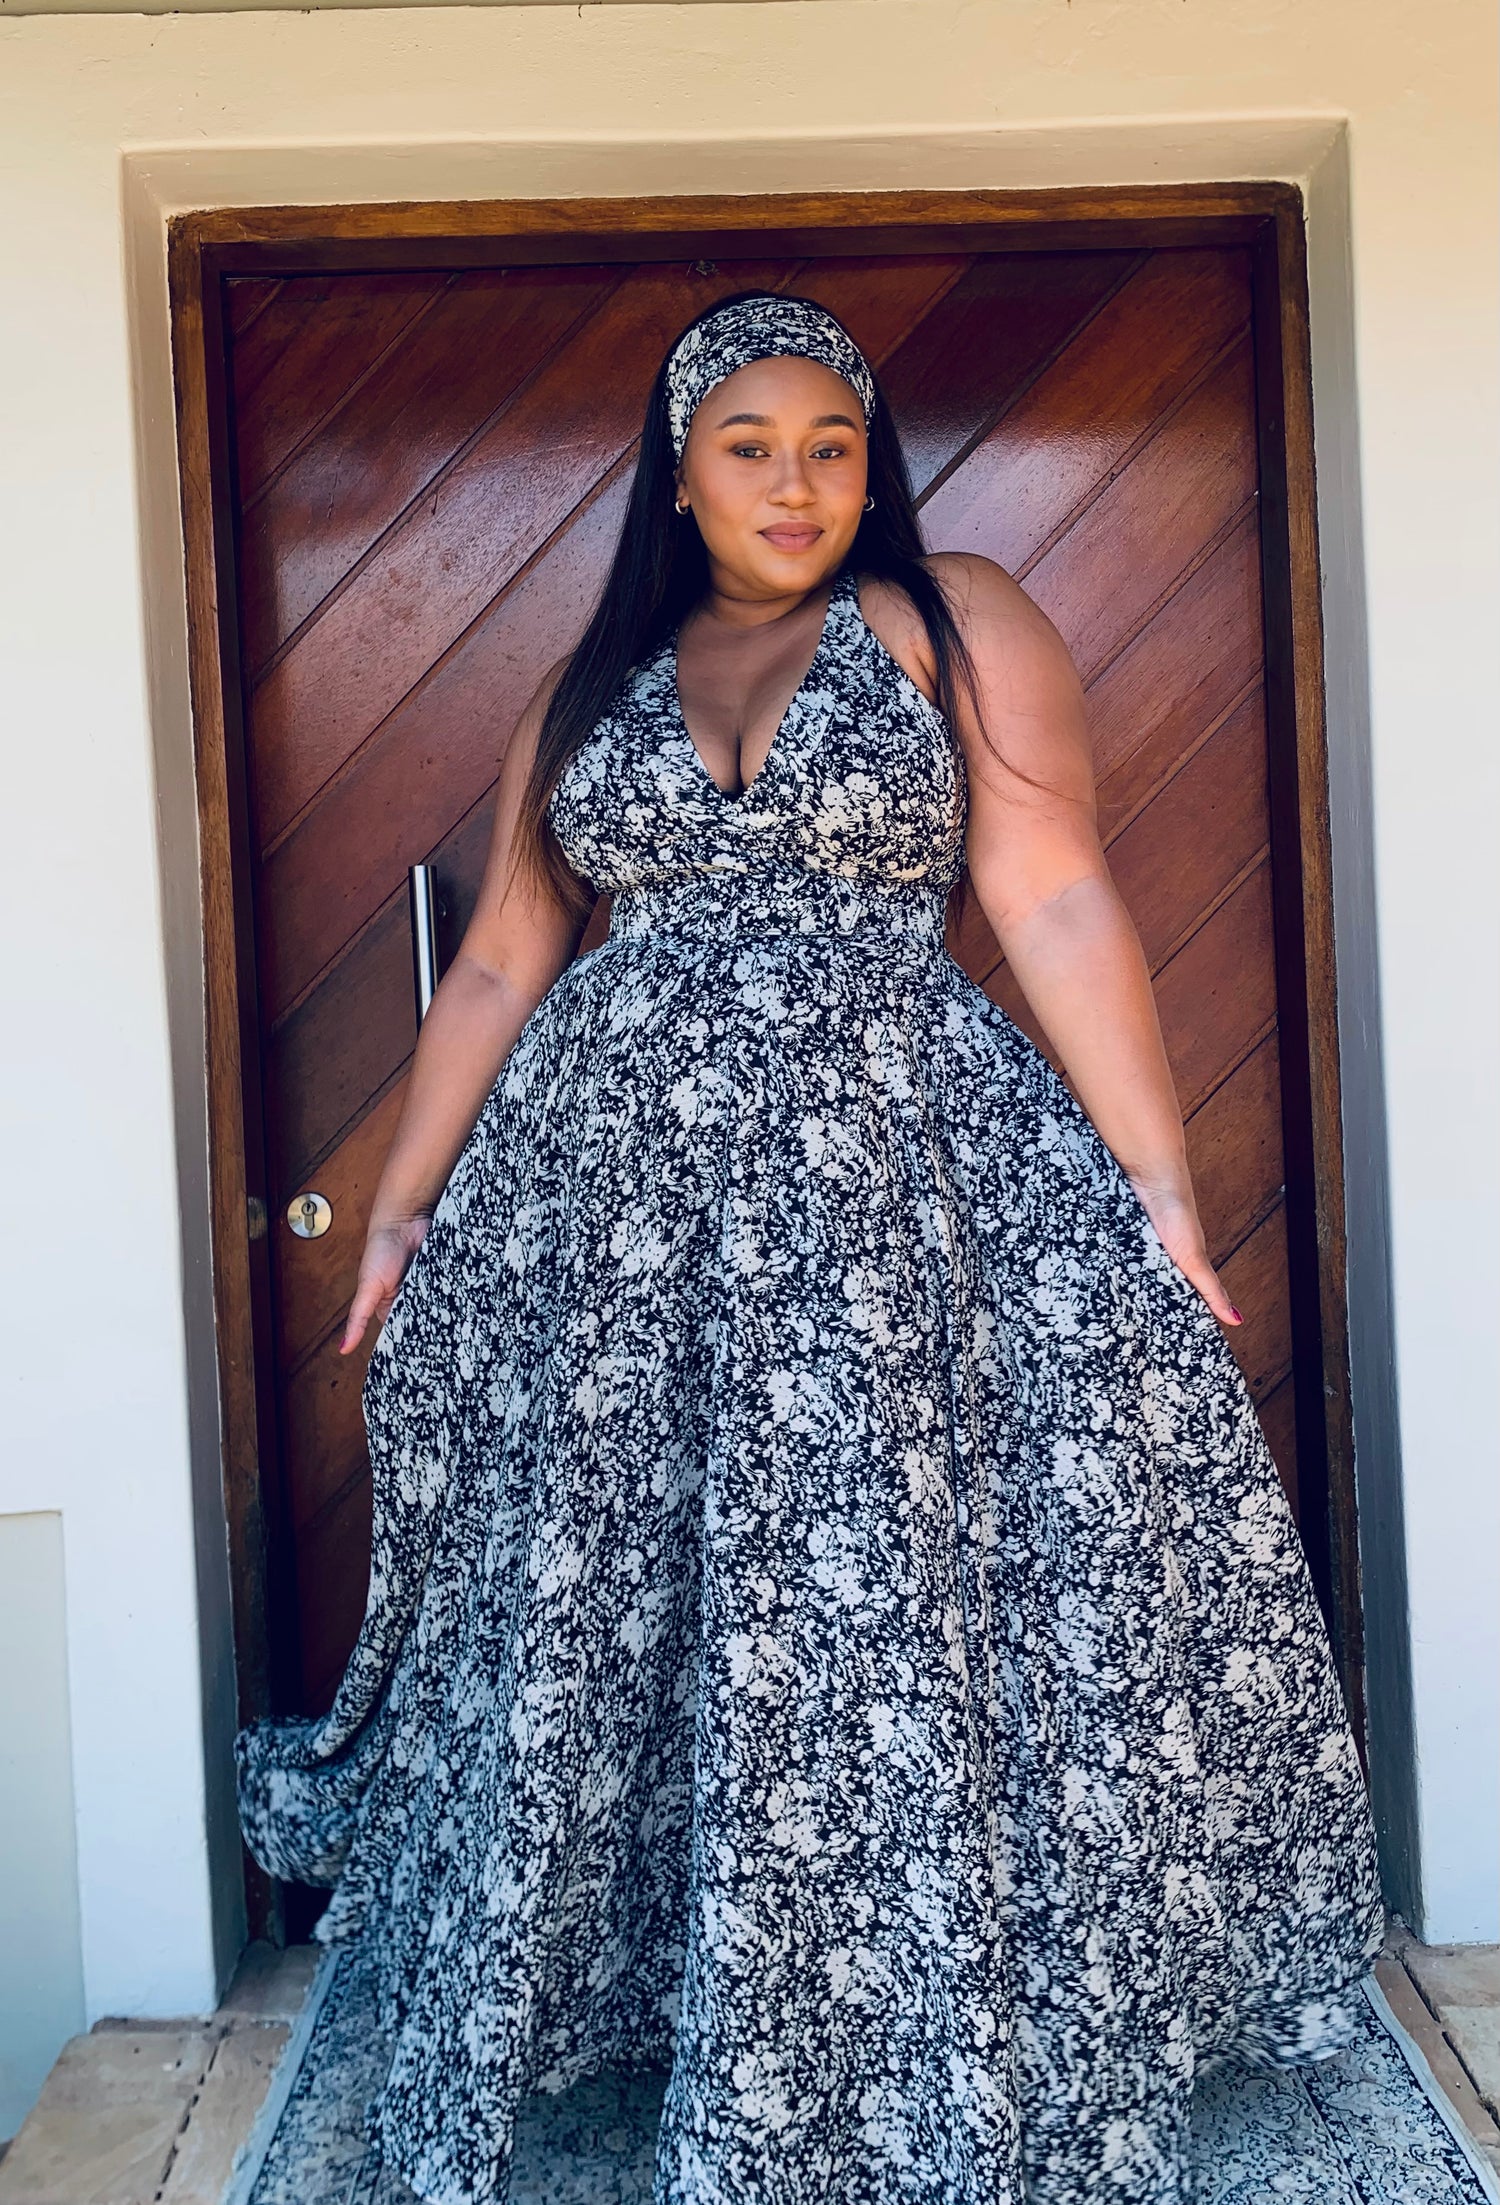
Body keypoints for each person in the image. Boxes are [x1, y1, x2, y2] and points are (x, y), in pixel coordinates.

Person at [237, 291, 1384, 2205]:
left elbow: (1054, 891)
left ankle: (905, 2020)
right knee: (628, 1587)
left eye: (833, 444)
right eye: (751, 446)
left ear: (876, 464)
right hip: (616, 1216)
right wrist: (404, 1201)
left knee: (872, 1585)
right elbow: (509, 952)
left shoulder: (952, 619)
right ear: (679, 475)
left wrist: (1163, 1185)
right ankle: (672, 1990)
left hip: (887, 1189)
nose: (797, 481)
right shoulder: (590, 680)